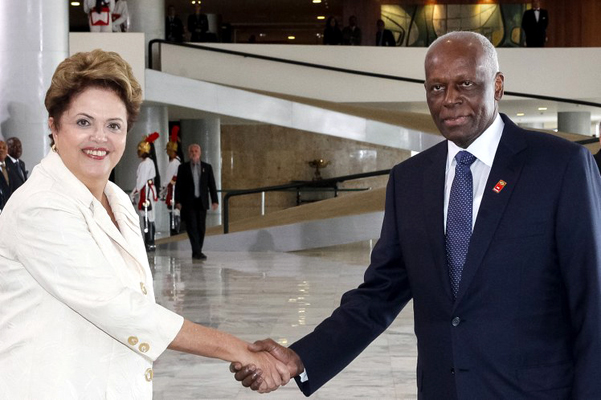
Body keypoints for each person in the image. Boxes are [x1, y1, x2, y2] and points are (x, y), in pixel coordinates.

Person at [231, 31, 601, 399]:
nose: (450, 100)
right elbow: (379, 295)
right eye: (436, 88)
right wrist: (300, 357)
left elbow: (592, 302)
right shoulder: (410, 180)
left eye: (465, 84)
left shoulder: (560, 166)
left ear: (498, 86)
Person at [0, 49, 289, 399]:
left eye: (113, 125)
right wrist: (238, 349)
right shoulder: (39, 206)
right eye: (83, 122)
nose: (99, 138)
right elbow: (119, 308)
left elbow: (138, 301)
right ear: (54, 126)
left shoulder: (117, 200)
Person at [175, 144, 218, 260]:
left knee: (201, 227)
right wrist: (177, 201)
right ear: (189, 154)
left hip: (202, 201)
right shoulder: (183, 168)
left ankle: (197, 250)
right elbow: (178, 186)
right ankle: (197, 251)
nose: (194, 153)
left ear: (200, 153)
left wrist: (215, 200)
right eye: (192, 151)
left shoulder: (207, 167)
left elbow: (212, 185)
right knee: (192, 226)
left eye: (196, 151)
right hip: (189, 202)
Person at [130, 132, 160, 252]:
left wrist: (133, 193)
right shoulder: (149, 162)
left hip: (146, 192)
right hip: (149, 191)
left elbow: (141, 182)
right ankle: (150, 241)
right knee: (149, 217)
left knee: (147, 217)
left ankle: (149, 242)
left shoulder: (145, 163)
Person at [163, 126, 182, 235]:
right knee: (174, 211)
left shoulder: (174, 163)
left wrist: (163, 190)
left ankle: (175, 231)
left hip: (173, 190)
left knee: (173, 212)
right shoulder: (178, 161)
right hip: (175, 189)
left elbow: (168, 179)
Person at [0, 140, 18, 211]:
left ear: (7, 151)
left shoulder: (11, 167)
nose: (1, 150)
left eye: (4, 148)